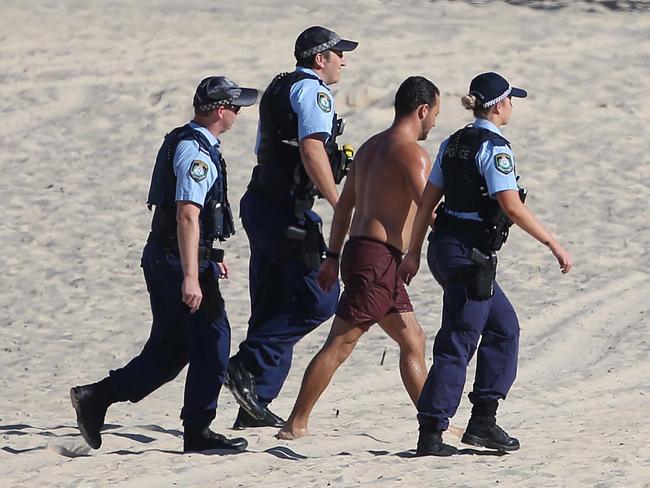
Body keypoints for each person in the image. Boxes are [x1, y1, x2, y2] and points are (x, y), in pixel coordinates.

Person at [69, 76, 258, 453]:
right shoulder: (196, 153)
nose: (238, 113)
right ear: (220, 110)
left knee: (170, 351)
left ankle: (97, 397)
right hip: (174, 262)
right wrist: (192, 275)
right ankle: (198, 431)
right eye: (236, 107)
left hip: (168, 257)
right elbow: (187, 216)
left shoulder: (188, 140)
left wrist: (207, 259)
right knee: (213, 341)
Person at [399, 72, 573, 456]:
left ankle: (482, 422)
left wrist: (413, 252)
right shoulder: (494, 149)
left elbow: (427, 203)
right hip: (469, 256)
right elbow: (511, 205)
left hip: (444, 249)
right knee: (459, 341)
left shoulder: (453, 142)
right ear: (498, 105)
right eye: (512, 100)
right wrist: (552, 243)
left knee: (504, 328)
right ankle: (431, 432)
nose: (513, 107)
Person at [277, 76, 441, 440]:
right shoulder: (413, 154)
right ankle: (295, 423)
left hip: (363, 254)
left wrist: (333, 256)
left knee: (413, 340)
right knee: (340, 343)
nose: (434, 123)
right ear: (422, 110)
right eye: (435, 115)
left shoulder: (369, 148)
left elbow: (343, 208)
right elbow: (428, 208)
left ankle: (434, 421)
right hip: (377, 260)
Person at [225, 26, 358, 429]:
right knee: (320, 297)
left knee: (271, 303)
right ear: (320, 59)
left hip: (262, 202)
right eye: (339, 54)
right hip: (286, 211)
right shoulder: (313, 91)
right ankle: (246, 366)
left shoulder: (281, 85)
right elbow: (312, 147)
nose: (344, 61)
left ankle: (255, 403)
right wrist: (338, 200)